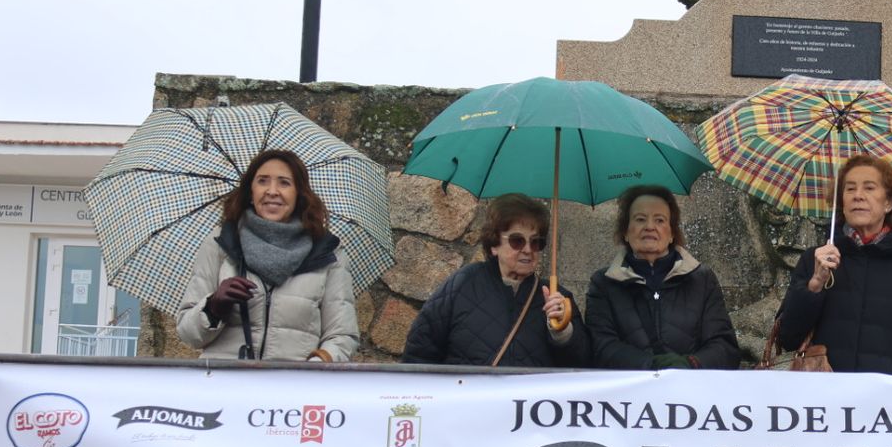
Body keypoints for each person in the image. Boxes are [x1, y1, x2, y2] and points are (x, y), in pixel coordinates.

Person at [176, 148, 359, 362]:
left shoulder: (327, 252)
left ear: (299, 193)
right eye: (263, 181)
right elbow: (188, 334)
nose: (272, 191)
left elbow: (342, 335)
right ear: (250, 192)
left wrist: (313, 368)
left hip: (292, 389)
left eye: (284, 182)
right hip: (225, 386)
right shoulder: (220, 243)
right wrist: (214, 306)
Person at [777, 153, 892, 374]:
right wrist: (815, 285)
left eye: (869, 188)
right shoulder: (816, 260)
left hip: (883, 401)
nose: (857, 196)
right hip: (822, 397)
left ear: (888, 202)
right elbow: (789, 338)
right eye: (849, 189)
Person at [402, 194, 587, 367]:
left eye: (536, 242)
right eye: (517, 241)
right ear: (494, 245)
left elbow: (584, 368)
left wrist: (562, 332)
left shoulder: (558, 298)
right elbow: (419, 352)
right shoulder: (462, 284)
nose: (528, 249)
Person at [584, 185, 741, 370]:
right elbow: (601, 347)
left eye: (659, 220)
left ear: (672, 233)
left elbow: (724, 346)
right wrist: (649, 365)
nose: (650, 227)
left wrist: (690, 364)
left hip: (689, 393)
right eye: (640, 219)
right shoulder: (604, 283)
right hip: (628, 395)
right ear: (625, 231)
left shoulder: (702, 280)